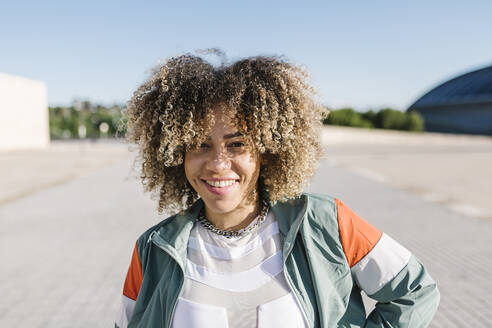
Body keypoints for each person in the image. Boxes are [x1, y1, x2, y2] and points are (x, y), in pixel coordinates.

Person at [115, 53, 439, 328]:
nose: (217, 163)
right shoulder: (153, 249)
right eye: (200, 144)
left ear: (267, 151)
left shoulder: (328, 222)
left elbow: (414, 291)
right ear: (177, 153)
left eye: (237, 144)